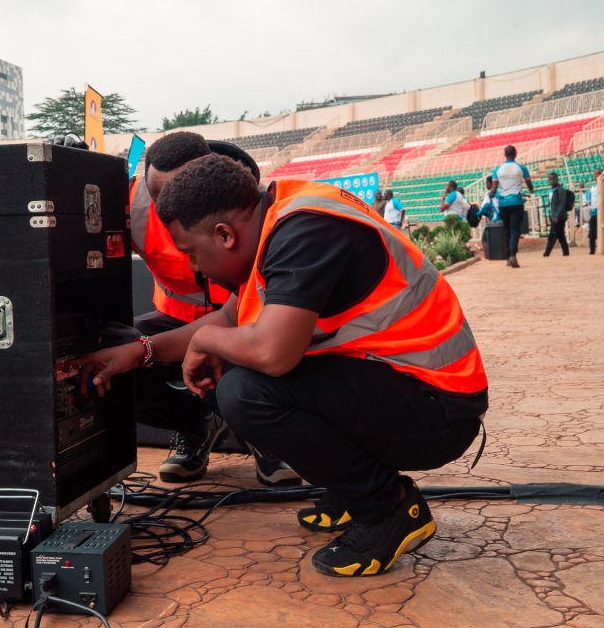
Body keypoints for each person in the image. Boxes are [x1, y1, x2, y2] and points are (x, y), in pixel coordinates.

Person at [72, 155, 487, 576]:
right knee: (243, 372)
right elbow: (230, 319)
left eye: (192, 253)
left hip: (439, 410)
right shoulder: (274, 218)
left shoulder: (304, 230)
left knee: (245, 392)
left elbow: (273, 354)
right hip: (399, 384)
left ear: (224, 235)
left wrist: (204, 340)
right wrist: (139, 351)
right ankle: (352, 489)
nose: (195, 268)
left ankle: (388, 509)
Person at [127, 132, 300, 486]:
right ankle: (194, 424)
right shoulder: (131, 205)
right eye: (162, 198)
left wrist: (212, 339)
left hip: (243, 326)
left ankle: (265, 437)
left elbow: (243, 326)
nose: (172, 206)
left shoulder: (247, 209)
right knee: (118, 357)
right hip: (175, 322)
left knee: (250, 370)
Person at [490, 145, 534, 268]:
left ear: (505, 155)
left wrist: (491, 194)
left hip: (503, 204)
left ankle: (508, 256)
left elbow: (494, 189)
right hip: (517, 203)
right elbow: (529, 184)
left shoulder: (497, 170)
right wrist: (531, 190)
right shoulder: (522, 168)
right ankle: (513, 255)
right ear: (516, 154)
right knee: (515, 229)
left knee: (507, 230)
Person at [543, 172, 570, 257]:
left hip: (559, 217)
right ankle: (566, 253)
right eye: (550, 179)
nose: (552, 180)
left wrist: (557, 216)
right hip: (553, 216)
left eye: (554, 179)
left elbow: (562, 204)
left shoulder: (561, 190)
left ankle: (546, 254)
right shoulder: (552, 191)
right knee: (561, 236)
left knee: (552, 235)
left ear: (557, 179)